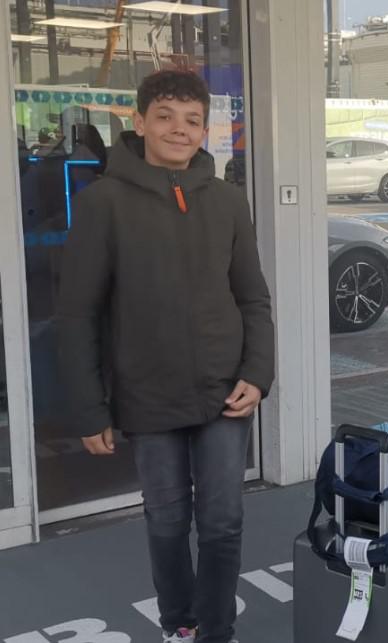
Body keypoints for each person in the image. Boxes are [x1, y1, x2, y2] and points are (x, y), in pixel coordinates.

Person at [56, 70, 275, 643]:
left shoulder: (228, 201)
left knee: (223, 523)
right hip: (147, 394)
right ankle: (180, 625)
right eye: (165, 117)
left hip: (226, 390)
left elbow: (252, 297)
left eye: (192, 120)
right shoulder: (103, 203)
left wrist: (258, 373)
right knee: (168, 520)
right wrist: (90, 409)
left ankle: (217, 632)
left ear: (205, 130)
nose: (180, 130)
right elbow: (77, 314)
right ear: (139, 122)